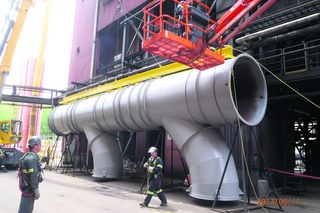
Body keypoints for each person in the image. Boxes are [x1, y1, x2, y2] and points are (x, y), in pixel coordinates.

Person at [18, 136, 43, 213]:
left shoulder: (30, 156)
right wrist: (36, 190)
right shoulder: (32, 159)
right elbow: (33, 176)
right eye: (39, 144)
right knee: (26, 209)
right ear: (35, 146)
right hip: (29, 189)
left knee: (26, 208)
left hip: (27, 188)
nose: (40, 146)